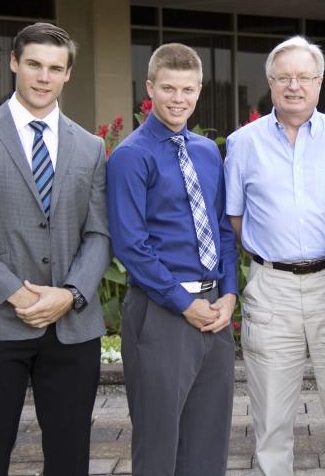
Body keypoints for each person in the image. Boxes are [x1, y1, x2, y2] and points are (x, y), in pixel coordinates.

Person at [0, 22, 111, 475]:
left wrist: (69, 294)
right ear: (14, 62)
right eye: (33, 64)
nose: (43, 77)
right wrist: (19, 294)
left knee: (70, 459)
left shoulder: (90, 147)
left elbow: (100, 234)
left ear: (68, 73)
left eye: (55, 68)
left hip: (72, 329)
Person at [224, 36, 325, 476]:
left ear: (319, 82)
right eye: (284, 77)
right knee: (270, 425)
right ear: (269, 82)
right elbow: (235, 219)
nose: (294, 86)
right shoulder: (242, 143)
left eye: (304, 76)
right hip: (272, 289)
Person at [107, 43, 239, 476]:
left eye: (187, 89)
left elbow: (221, 227)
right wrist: (184, 303)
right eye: (168, 88)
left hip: (214, 310)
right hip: (162, 312)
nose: (178, 98)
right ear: (150, 88)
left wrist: (230, 294)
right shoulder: (130, 155)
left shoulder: (205, 151)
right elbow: (131, 244)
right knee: (159, 443)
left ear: (199, 90)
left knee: (208, 441)